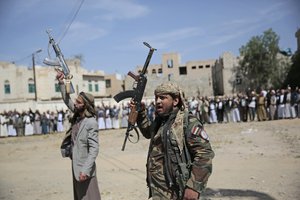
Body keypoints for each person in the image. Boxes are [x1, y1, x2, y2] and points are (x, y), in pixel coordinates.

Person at [132, 82, 214, 200]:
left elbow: (204, 155)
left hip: (177, 190)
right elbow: (148, 132)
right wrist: (140, 113)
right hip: (159, 188)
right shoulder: (161, 121)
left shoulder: (188, 122)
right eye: (156, 98)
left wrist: (194, 187)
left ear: (175, 101)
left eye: (163, 97)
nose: (158, 101)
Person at [56, 71, 101, 200]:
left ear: (85, 105)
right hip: (76, 167)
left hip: (84, 170)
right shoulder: (78, 116)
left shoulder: (91, 123)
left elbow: (94, 149)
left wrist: (86, 170)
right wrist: (61, 82)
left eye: (79, 102)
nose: (75, 103)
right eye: (76, 101)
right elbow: (66, 99)